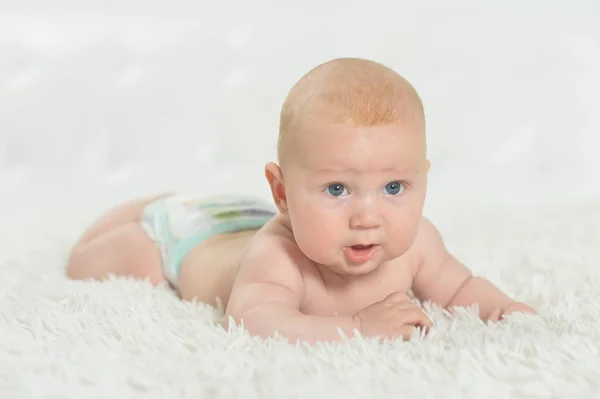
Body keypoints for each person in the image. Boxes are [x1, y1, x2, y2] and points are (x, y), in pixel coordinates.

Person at [66, 57, 536, 343]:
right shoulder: (277, 257)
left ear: (423, 180)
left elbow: (459, 288)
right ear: (283, 195)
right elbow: (252, 321)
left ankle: (174, 199)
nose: (367, 217)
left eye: (394, 188)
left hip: (241, 213)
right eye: (337, 190)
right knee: (100, 261)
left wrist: (506, 309)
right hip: (190, 238)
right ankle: (149, 206)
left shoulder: (418, 245)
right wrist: (356, 327)